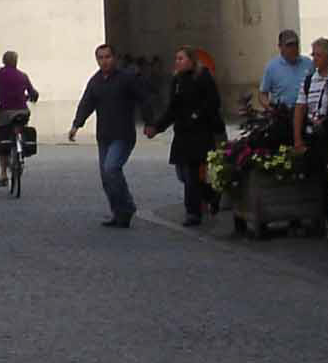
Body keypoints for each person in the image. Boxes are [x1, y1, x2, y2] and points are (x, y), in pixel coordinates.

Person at [145, 49, 225, 226]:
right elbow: (172, 109)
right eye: (176, 58)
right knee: (183, 174)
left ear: (191, 60)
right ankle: (211, 195)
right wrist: (157, 127)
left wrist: (197, 115)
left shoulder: (203, 77)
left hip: (200, 133)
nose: (177, 61)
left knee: (191, 173)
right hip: (182, 133)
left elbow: (213, 102)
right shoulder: (177, 80)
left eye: (181, 58)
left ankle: (193, 213)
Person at [68, 43, 144, 228]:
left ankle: (127, 207)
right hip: (104, 135)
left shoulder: (126, 78)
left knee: (111, 169)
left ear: (114, 58)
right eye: (100, 58)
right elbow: (86, 103)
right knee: (106, 177)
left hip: (123, 134)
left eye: (107, 57)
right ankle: (119, 213)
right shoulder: (95, 81)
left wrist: (150, 123)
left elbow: (144, 98)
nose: (104, 61)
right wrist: (76, 124)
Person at [293, 37, 328, 255]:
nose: (314, 58)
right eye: (313, 54)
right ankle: (322, 221)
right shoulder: (309, 80)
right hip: (314, 136)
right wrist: (297, 138)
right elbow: (300, 108)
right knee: (318, 180)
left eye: (317, 55)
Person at [0, 50, 39, 189]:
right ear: (16, 62)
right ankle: (20, 149)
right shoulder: (22, 76)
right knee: (20, 127)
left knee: (1, 141)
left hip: (4, 112)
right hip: (22, 111)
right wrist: (30, 97)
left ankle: (3, 174)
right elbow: (33, 93)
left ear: (4, 61)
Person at [259, 31, 309, 118]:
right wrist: (270, 109)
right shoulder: (272, 67)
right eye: (289, 45)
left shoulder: (308, 63)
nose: (293, 48)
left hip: (305, 114)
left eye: (296, 44)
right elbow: (263, 94)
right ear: (280, 47)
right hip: (282, 115)